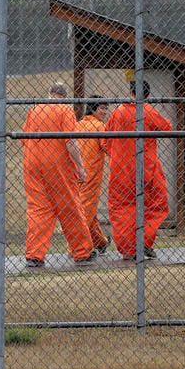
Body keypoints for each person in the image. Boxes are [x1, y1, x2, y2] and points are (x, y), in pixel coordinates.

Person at [21, 82, 97, 268]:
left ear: (49, 94)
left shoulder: (35, 109)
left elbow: (23, 139)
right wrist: (80, 167)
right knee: (70, 206)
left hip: (32, 163)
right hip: (57, 165)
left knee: (38, 209)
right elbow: (70, 141)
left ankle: (34, 255)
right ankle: (81, 252)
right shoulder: (65, 109)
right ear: (64, 97)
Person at [103, 81, 171, 261]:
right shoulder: (148, 111)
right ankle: (144, 240)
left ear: (130, 92)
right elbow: (166, 128)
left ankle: (128, 249)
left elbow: (105, 141)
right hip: (146, 168)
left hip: (120, 170)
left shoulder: (118, 112)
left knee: (121, 208)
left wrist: (116, 156)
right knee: (157, 204)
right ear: (147, 96)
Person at [75, 96, 112, 255]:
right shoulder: (100, 127)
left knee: (88, 209)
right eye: (101, 108)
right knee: (86, 211)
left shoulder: (78, 126)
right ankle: (76, 246)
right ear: (93, 109)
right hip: (91, 176)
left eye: (106, 108)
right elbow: (108, 148)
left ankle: (100, 241)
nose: (104, 111)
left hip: (76, 174)